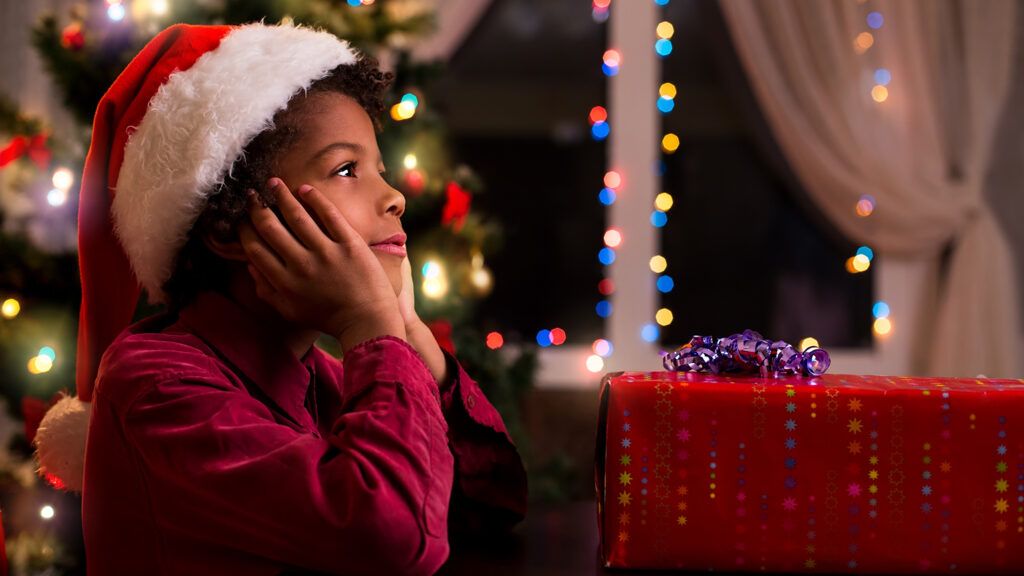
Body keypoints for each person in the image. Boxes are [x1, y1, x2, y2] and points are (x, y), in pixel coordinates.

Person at [32, 22, 527, 575]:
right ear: (230, 225)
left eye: (381, 172)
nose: (394, 197)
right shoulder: (158, 384)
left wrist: (407, 330)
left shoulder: (321, 376)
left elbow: (488, 507)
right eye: (346, 169)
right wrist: (372, 324)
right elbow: (392, 542)